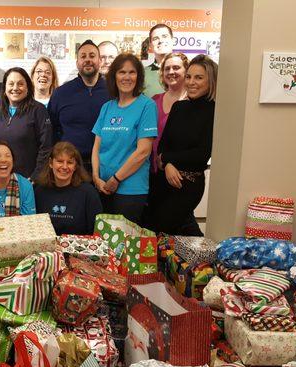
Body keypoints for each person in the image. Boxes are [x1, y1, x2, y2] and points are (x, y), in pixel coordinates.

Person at [150, 55, 218, 236]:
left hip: (187, 184)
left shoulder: (215, 111)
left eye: (199, 77)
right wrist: (168, 164)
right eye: (189, 77)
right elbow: (163, 147)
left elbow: (202, 154)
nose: (191, 82)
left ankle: (204, 260)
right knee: (154, 229)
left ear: (210, 81)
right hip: (163, 179)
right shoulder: (179, 108)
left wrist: (168, 159)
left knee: (165, 226)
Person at [92, 53, 158, 226]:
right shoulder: (107, 107)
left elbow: (143, 151)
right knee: (105, 242)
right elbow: (96, 147)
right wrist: (95, 176)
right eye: (122, 72)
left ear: (139, 76)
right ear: (114, 76)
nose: (127, 77)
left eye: (132, 72)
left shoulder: (146, 106)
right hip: (103, 186)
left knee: (125, 246)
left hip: (130, 190)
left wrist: (116, 179)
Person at [48, 40, 110, 172]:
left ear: (100, 61)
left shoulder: (113, 92)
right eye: (83, 56)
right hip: (70, 168)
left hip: (106, 166)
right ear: (77, 63)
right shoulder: (61, 93)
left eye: (92, 56)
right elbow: (51, 130)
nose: (87, 60)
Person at [0, 67, 52, 181]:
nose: (15, 88)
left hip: (27, 180)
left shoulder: (38, 110)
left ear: (27, 87)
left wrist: (35, 177)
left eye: (20, 84)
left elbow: (46, 147)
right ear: (5, 88)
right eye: (11, 84)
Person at [34, 142, 102, 235]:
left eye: (70, 162)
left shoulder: (88, 192)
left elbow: (95, 231)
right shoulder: (39, 191)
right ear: (50, 163)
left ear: (75, 166)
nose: (65, 167)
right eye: (60, 161)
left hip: (79, 248)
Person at [151, 52, 189, 175]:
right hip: (152, 170)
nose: (171, 72)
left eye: (176, 67)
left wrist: (168, 161)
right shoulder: (154, 101)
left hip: (178, 172)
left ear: (186, 71)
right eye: (167, 69)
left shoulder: (191, 102)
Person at [144, 24, 174, 98]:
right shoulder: (142, 74)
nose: (160, 41)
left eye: (164, 36)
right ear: (150, 45)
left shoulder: (186, 71)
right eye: (155, 38)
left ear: (173, 41)